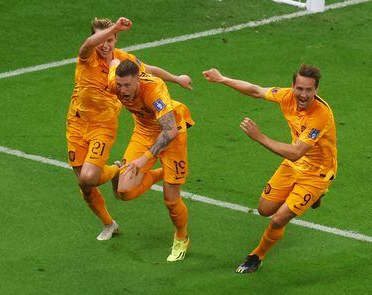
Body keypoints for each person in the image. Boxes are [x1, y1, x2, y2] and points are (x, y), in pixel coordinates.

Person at [66, 17, 192, 241]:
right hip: (76, 123)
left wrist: (176, 78)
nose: (105, 44)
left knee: (88, 178)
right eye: (101, 39)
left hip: (103, 126)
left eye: (111, 39)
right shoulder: (87, 57)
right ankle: (109, 224)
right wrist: (112, 28)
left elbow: (147, 70)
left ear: (116, 39)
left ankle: (116, 169)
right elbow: (87, 45)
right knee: (85, 187)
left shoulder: (122, 62)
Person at [203, 65, 337, 273]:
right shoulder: (286, 96)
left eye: (309, 90)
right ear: (292, 86)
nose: (303, 94)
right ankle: (313, 197)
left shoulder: (320, 115)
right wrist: (222, 79)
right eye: (299, 88)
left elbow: (295, 152)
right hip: (294, 166)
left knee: (278, 219)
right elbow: (256, 90)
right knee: (264, 210)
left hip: (317, 172)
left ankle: (257, 255)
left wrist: (259, 137)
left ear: (316, 90)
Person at [107, 59, 194, 261]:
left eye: (127, 85)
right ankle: (161, 173)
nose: (122, 90)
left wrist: (145, 158)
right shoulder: (115, 81)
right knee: (124, 192)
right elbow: (118, 62)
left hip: (172, 132)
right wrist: (177, 78)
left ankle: (181, 237)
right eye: (119, 85)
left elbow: (170, 130)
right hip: (144, 132)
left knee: (171, 201)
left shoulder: (154, 91)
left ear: (138, 80)